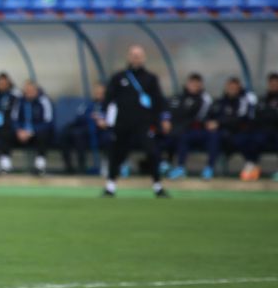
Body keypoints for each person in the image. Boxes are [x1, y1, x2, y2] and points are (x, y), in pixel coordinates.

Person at [102, 45, 168, 198]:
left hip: (143, 124)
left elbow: (159, 101)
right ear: (128, 57)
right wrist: (103, 117)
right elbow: (108, 99)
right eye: (133, 54)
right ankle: (110, 187)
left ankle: (158, 186)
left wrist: (164, 119)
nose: (136, 57)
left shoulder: (151, 78)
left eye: (138, 55)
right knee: (116, 154)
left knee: (152, 152)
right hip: (122, 123)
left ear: (143, 58)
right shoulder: (118, 77)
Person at [162, 72, 214, 179]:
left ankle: (181, 168)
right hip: (175, 129)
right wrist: (165, 120)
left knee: (184, 136)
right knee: (157, 134)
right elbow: (167, 110)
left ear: (201, 85)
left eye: (196, 84)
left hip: (194, 131)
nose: (193, 86)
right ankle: (163, 164)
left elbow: (199, 117)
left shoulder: (204, 99)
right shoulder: (178, 97)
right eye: (191, 83)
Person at [213, 77, 260, 180]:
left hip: (241, 132)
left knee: (246, 139)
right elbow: (215, 115)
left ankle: (251, 165)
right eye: (230, 87)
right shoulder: (221, 101)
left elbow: (241, 118)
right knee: (213, 137)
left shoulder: (244, 100)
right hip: (226, 133)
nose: (232, 89)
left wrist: (220, 122)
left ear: (239, 88)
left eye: (234, 87)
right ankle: (210, 168)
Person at [58, 83, 108, 175]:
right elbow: (80, 116)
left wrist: (99, 120)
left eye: (101, 93)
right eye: (96, 93)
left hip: (98, 132)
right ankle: (68, 167)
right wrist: (90, 117)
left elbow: (109, 121)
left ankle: (82, 165)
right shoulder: (88, 104)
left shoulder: (108, 105)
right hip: (85, 128)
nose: (98, 95)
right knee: (65, 134)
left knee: (78, 135)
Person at [13, 80, 55, 176]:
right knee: (5, 132)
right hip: (22, 133)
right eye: (27, 90)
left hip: (36, 132)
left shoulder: (44, 101)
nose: (29, 92)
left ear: (36, 90)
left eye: (31, 90)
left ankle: (40, 165)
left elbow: (48, 122)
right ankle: (4, 164)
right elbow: (14, 119)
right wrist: (19, 130)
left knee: (44, 134)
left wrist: (31, 131)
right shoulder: (19, 101)